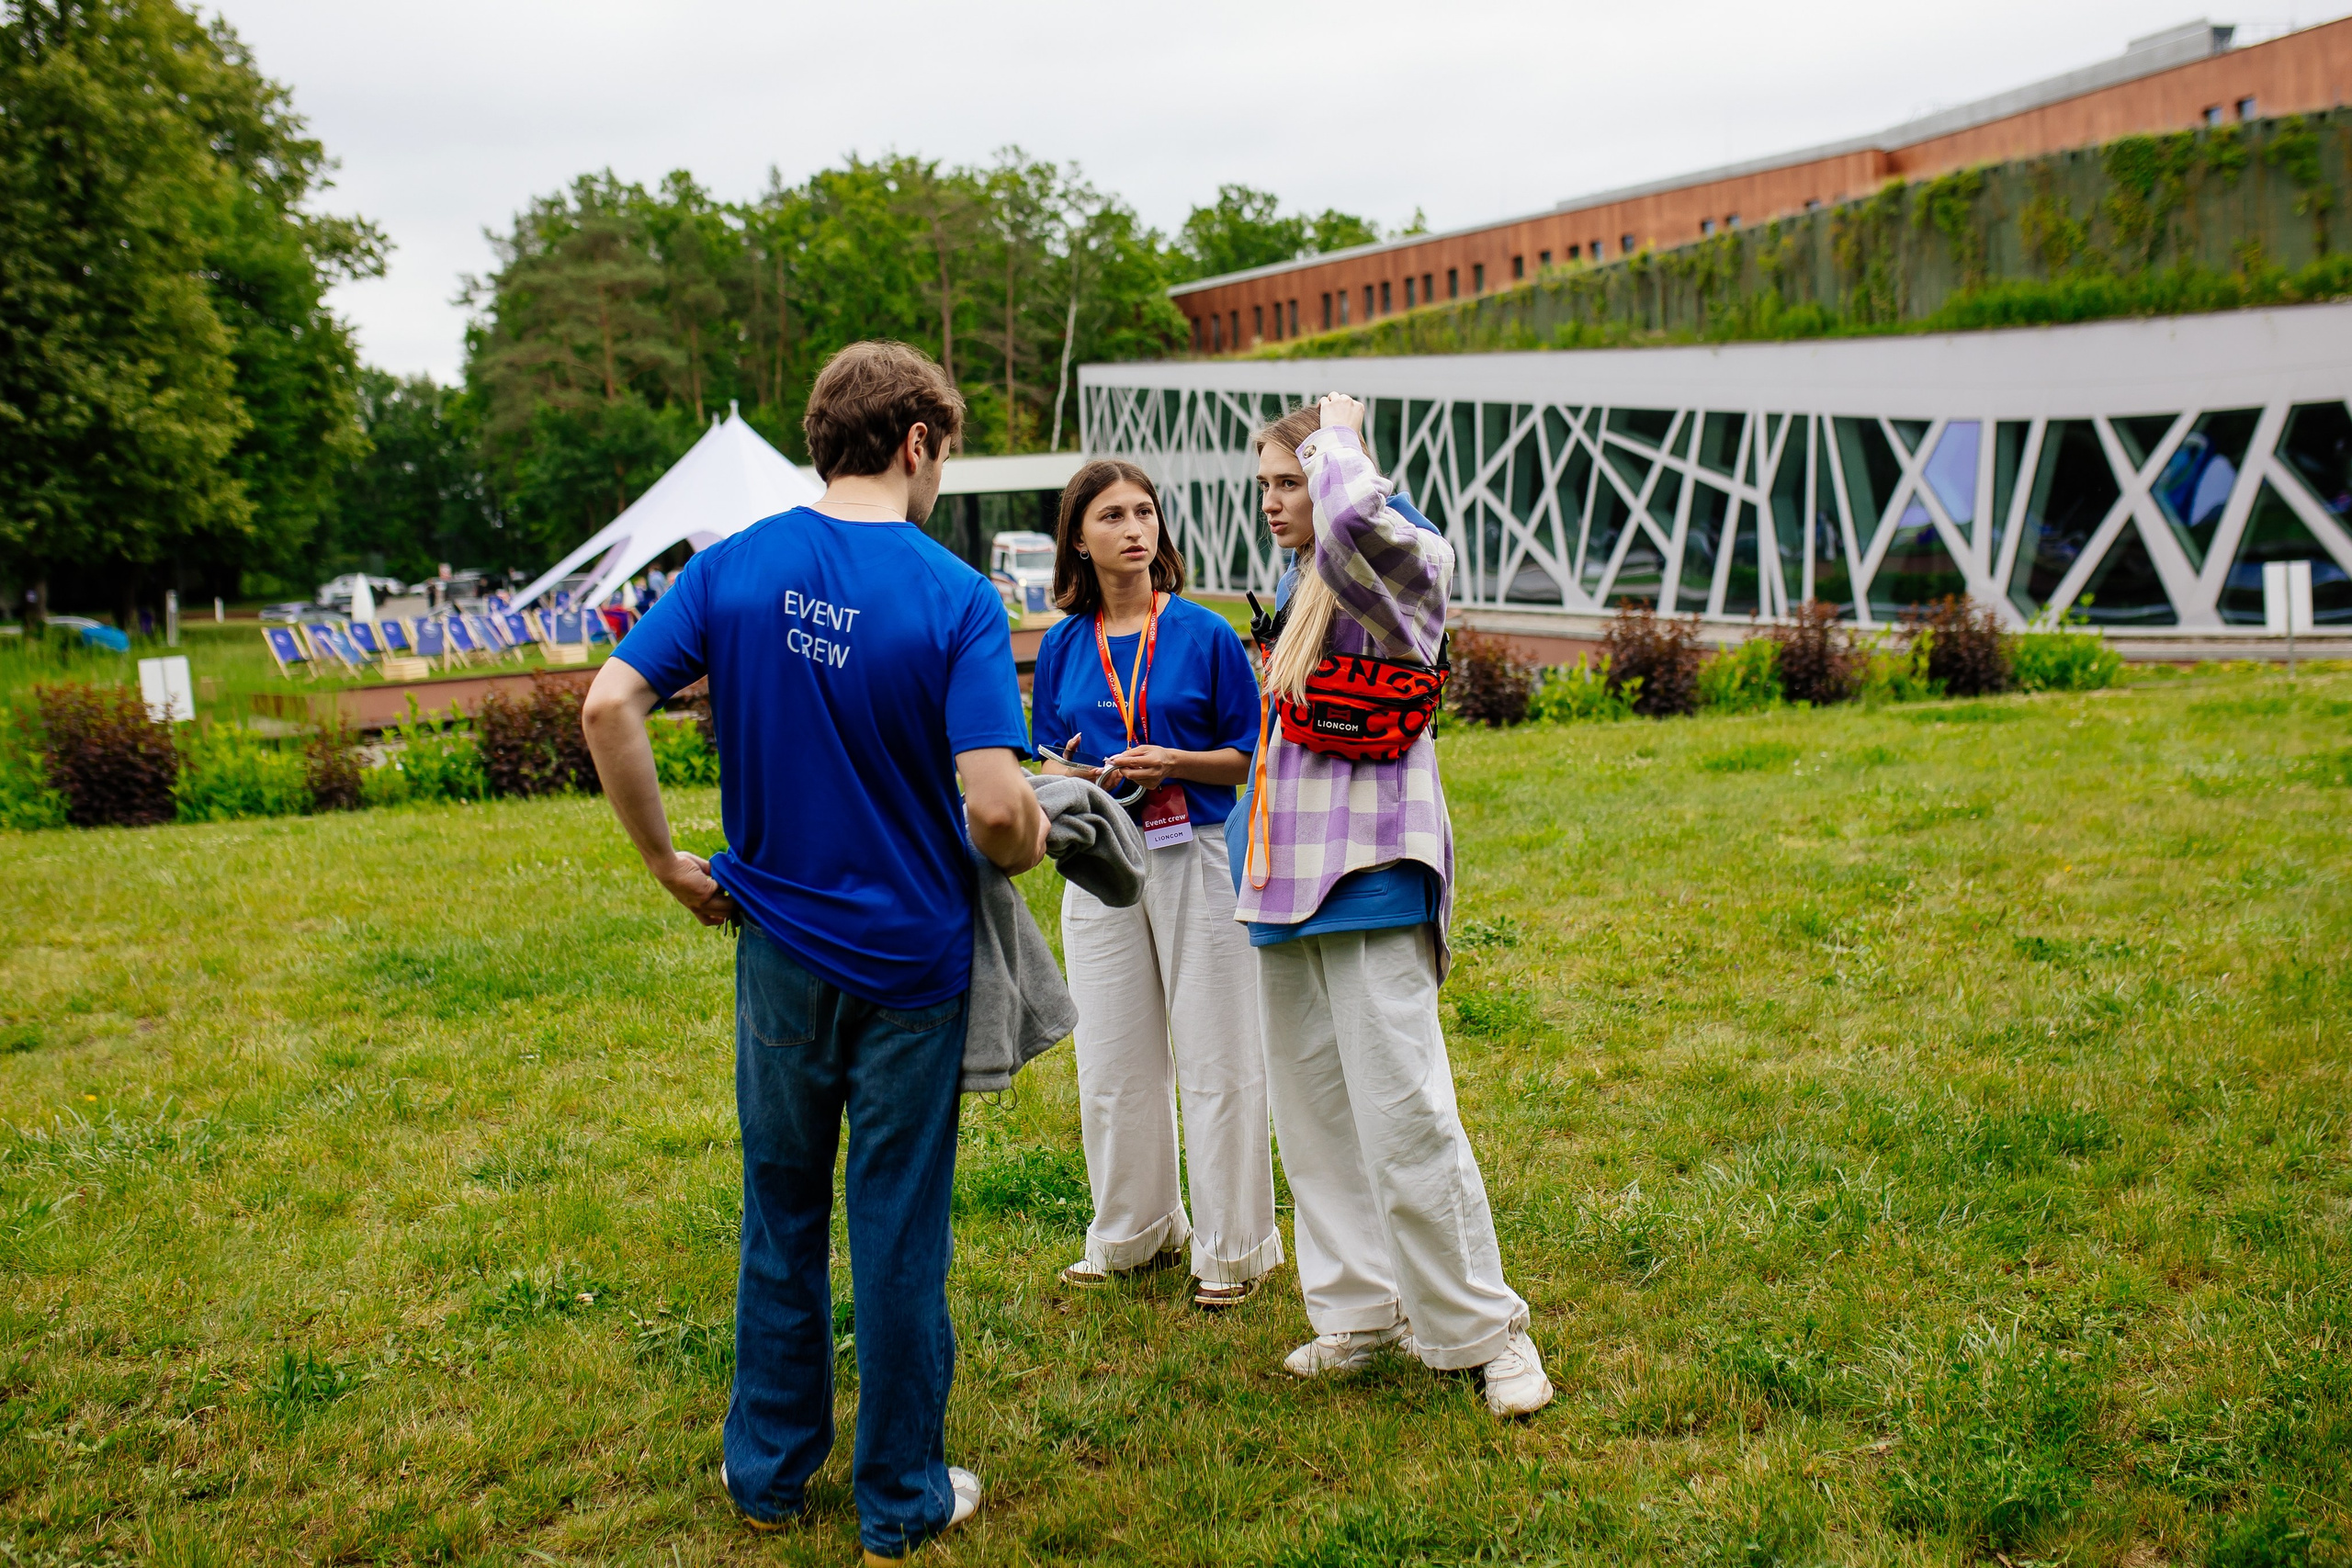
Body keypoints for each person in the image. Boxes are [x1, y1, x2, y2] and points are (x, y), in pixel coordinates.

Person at [581, 341, 1049, 1562]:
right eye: (945, 451)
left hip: (775, 951)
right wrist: (1041, 834)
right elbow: (997, 810)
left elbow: (607, 702)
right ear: (916, 443)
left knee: (780, 1207)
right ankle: (900, 1497)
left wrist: (667, 861)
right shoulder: (955, 595)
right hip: (909, 967)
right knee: (897, 1224)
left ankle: (767, 1473)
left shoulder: (735, 566)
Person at [1227, 394, 1554, 1419]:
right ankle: (1360, 1313)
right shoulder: (1297, 587)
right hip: (1281, 880)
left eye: (1294, 481)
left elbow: (1359, 518)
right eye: (1270, 485)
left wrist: (1338, 435)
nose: (1279, 502)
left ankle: (1484, 1331)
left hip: (1367, 876)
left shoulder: (1395, 570)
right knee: (1316, 1120)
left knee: (1406, 1114)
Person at [1031, 460, 1277, 1310]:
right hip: (1101, 856)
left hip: (1193, 849)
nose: (1135, 528)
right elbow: (1048, 754)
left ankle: (1232, 1249)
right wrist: (1081, 772)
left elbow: (1246, 759)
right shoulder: (1062, 643)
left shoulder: (1206, 635)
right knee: (1110, 1057)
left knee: (1218, 1053)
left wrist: (1173, 759)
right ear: (1078, 538)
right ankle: (1133, 1233)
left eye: (1145, 513)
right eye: (1112, 515)